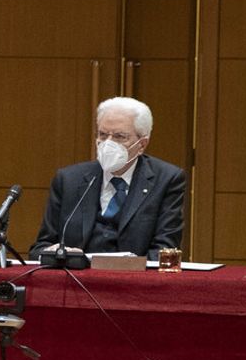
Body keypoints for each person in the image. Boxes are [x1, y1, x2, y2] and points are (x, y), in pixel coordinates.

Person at [31, 96, 186, 259]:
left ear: (142, 144)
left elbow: (165, 251)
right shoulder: (69, 179)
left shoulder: (167, 179)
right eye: (103, 135)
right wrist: (56, 253)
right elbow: (41, 247)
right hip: (77, 277)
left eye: (120, 136)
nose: (108, 144)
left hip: (133, 280)